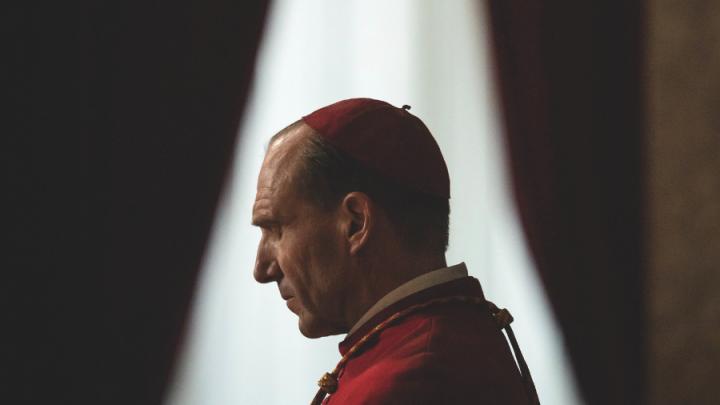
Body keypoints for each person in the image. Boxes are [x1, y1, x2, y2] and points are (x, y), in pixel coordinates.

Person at [252, 98, 539, 404]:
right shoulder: (457, 334)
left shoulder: (405, 385)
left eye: (277, 229)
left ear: (355, 223)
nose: (261, 269)